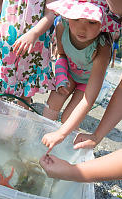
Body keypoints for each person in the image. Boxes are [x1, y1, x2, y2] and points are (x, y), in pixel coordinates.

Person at [42, 0, 120, 151]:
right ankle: (42, 140)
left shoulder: (102, 47)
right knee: (51, 106)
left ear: (102, 23)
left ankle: (63, 150)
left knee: (68, 119)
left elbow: (89, 98)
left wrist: (61, 133)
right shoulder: (61, 27)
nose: (82, 28)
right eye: (76, 19)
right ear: (68, 16)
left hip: (87, 84)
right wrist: (61, 77)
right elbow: (61, 55)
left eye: (92, 22)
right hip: (69, 73)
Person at [0, 0, 56, 109]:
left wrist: (34, 33)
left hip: (33, 48)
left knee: (26, 92)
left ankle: (20, 121)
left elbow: (50, 13)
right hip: (5, 48)